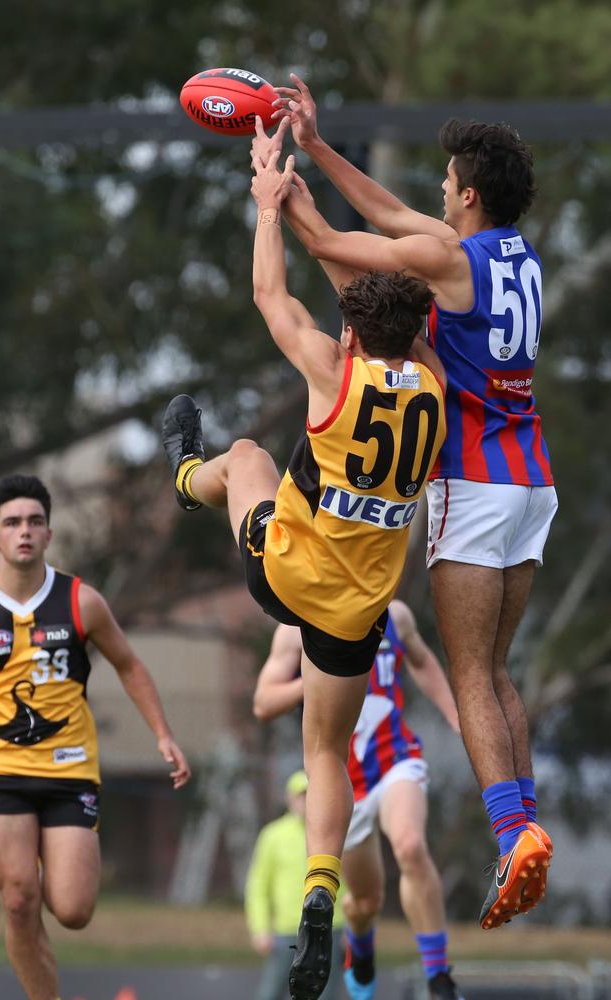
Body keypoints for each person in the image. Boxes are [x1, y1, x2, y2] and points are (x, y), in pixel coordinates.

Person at [258, 77, 556, 930]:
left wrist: (277, 198)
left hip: (477, 481)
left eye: (445, 182)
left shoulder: (449, 260)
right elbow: (392, 215)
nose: (435, 193)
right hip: (533, 482)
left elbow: (347, 244)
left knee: (467, 672)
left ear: (465, 191)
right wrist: (318, 147)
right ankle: (522, 827)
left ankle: (513, 833)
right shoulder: (513, 254)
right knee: (497, 670)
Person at [161, 146, 446, 999]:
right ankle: (322, 888)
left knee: (245, 455)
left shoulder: (333, 370)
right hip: (359, 614)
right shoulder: (435, 386)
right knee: (327, 751)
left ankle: (183, 477)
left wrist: (268, 204)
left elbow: (269, 297)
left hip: (285, 578)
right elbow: (399, 324)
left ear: (353, 334)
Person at [0, 474, 191, 1000]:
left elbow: (129, 666)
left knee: (73, 910)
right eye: (12, 523)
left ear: (48, 533)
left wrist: (163, 735)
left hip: (69, 769)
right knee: (20, 898)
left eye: (34, 522)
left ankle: (43, 864)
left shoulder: (81, 601)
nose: (24, 532)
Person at [254, 606, 465, 1000]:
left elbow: (421, 660)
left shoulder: (397, 615)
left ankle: (439, 978)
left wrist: (455, 715)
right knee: (365, 901)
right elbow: (263, 702)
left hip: (394, 758)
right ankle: (362, 943)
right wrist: (326, 673)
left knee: (410, 845)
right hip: (341, 780)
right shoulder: (296, 629)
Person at [245, 769, 344, 1000]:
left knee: (324, 994)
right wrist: (260, 928)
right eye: (302, 795)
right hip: (286, 930)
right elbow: (258, 886)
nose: (306, 801)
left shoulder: (333, 832)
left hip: (329, 928)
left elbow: (345, 880)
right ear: (290, 799)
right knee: (271, 993)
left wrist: (350, 926)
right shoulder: (273, 835)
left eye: (312, 794)